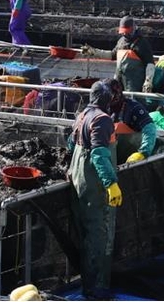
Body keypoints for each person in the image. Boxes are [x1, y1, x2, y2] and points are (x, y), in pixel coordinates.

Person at [67, 80, 122, 300]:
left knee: (85, 234)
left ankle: (87, 285)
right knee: (99, 236)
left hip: (78, 179)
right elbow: (99, 155)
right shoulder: (102, 119)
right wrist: (111, 184)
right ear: (107, 99)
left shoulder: (82, 116)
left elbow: (71, 145)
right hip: (95, 186)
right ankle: (96, 290)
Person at [82, 16, 154, 93]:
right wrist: (94, 52)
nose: (125, 34)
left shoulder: (142, 43)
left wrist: (148, 81)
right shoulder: (121, 42)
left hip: (135, 83)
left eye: (127, 32)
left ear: (133, 29)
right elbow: (112, 55)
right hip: (119, 80)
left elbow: (150, 63)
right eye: (123, 32)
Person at [106, 79, 157, 163]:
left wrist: (143, 153)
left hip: (132, 153)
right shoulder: (103, 108)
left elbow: (150, 128)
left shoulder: (133, 107)